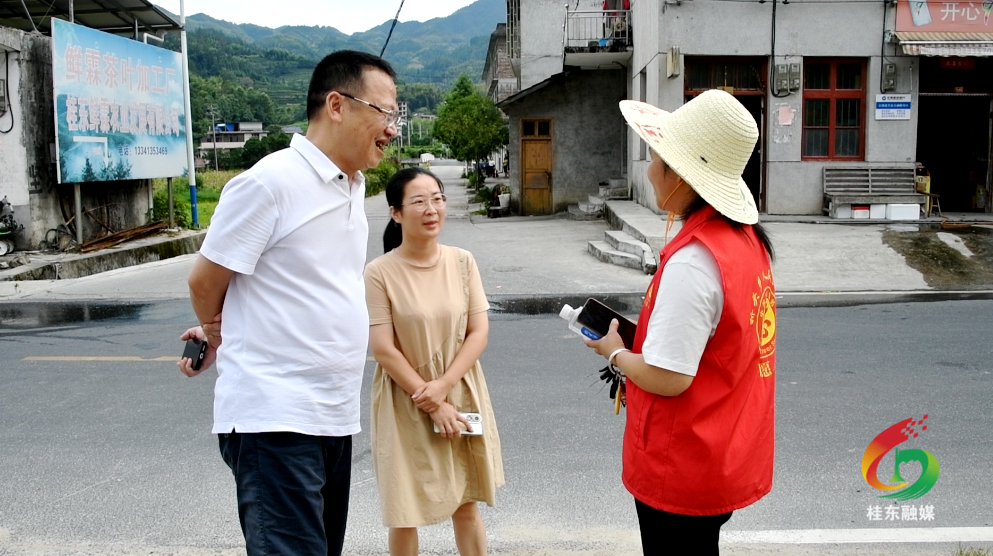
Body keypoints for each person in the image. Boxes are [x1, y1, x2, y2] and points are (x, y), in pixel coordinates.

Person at [176, 50, 400, 556]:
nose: (392, 128)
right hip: (274, 418)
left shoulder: (351, 187)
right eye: (385, 112)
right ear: (337, 105)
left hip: (332, 417)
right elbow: (204, 282)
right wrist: (216, 332)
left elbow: (297, 288)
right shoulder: (270, 183)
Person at [583, 89, 776, 555]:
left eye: (657, 159)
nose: (650, 170)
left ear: (684, 174)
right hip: (720, 446)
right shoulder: (744, 240)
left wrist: (616, 353)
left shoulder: (694, 260)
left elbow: (669, 378)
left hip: (683, 461)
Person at [364, 167, 504, 556]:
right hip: (402, 399)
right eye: (420, 201)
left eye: (438, 199)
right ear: (396, 212)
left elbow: (478, 333)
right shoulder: (379, 272)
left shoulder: (462, 261)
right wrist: (429, 400)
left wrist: (443, 392)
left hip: (460, 391)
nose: (432, 209)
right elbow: (383, 348)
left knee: (466, 498)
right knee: (405, 509)